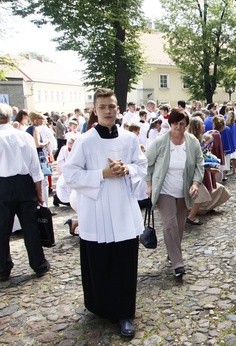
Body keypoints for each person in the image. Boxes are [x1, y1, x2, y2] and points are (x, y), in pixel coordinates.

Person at [62, 88, 147, 337]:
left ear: (118, 108)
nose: (108, 111)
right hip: (97, 212)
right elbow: (70, 174)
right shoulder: (85, 141)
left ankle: (124, 314)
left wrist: (127, 170)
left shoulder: (129, 139)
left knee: (124, 264)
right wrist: (102, 174)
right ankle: (100, 306)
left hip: (122, 209)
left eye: (112, 106)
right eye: (103, 107)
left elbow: (141, 165)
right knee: (101, 262)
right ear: (95, 110)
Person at [146, 108, 204, 277]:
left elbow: (199, 164)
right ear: (170, 124)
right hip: (164, 189)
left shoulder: (192, 142)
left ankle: (172, 253)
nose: (178, 127)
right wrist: (149, 185)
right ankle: (178, 264)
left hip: (184, 190)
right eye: (175, 123)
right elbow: (148, 163)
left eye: (182, 124)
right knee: (169, 224)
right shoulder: (161, 142)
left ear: (186, 125)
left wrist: (195, 184)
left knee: (179, 226)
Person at [0, 103, 50, 281]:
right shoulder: (23, 136)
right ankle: (39, 263)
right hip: (24, 183)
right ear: (9, 117)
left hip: (3, 185)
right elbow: (35, 167)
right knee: (30, 227)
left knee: (2, 229)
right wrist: (39, 192)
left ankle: (2, 268)